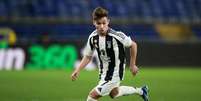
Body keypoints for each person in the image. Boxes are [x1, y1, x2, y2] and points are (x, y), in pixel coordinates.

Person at [71, 7, 149, 101]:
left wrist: (132, 65)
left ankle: (140, 91)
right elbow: (88, 56)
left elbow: (133, 45)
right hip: (103, 73)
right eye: (99, 23)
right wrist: (78, 70)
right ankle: (141, 91)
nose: (102, 26)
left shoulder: (116, 35)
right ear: (94, 22)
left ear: (108, 21)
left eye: (104, 23)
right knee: (114, 93)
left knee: (93, 95)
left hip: (116, 73)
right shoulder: (92, 38)